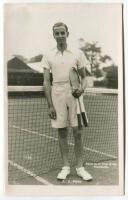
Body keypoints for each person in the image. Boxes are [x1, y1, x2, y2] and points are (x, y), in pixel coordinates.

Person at [42, 22, 92, 181]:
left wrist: (82, 89)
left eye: (62, 33)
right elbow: (46, 82)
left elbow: (85, 78)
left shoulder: (77, 53)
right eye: (57, 33)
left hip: (75, 95)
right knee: (62, 131)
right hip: (57, 93)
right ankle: (65, 167)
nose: (60, 36)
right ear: (54, 35)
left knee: (78, 132)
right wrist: (50, 105)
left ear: (67, 34)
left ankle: (80, 167)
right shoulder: (48, 55)